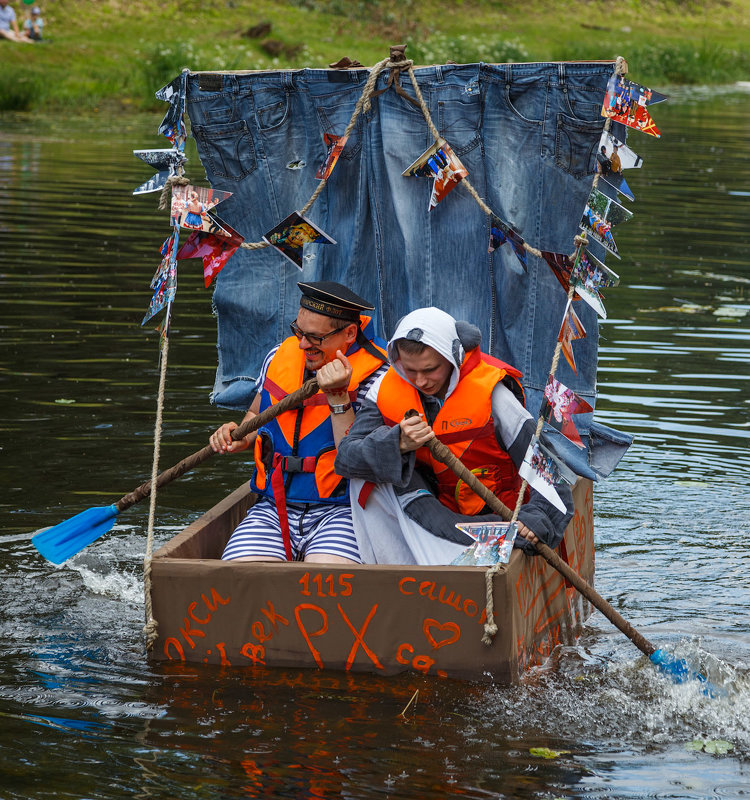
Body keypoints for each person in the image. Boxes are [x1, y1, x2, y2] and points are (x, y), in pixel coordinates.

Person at [335, 307, 573, 565]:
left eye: (430, 369)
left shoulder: (494, 395)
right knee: (365, 476)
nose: (420, 381)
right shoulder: (384, 388)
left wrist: (535, 518)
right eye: (410, 370)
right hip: (430, 514)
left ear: (454, 356)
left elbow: (551, 475)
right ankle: (400, 570)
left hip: (498, 516)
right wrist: (397, 443)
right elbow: (347, 457)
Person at [210, 281, 388, 563]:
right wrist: (242, 436)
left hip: (345, 509)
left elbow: (359, 461)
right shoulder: (278, 355)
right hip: (272, 506)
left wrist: (338, 396)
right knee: (239, 577)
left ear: (350, 333)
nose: (303, 344)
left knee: (325, 581)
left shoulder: (381, 378)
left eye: (315, 338)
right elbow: (257, 414)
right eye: (299, 332)